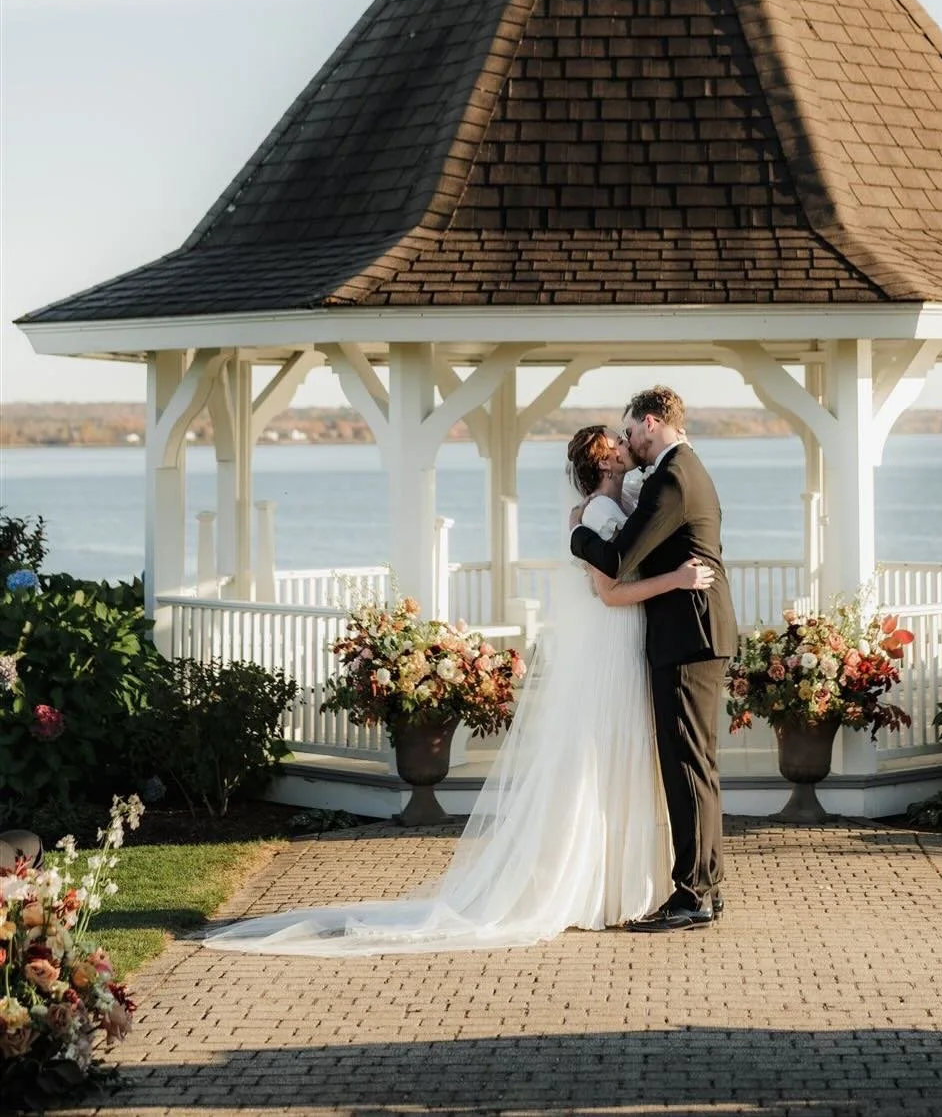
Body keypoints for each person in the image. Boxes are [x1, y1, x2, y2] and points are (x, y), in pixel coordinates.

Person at [204, 426, 712, 954]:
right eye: (618, 440)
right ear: (605, 459)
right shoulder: (599, 514)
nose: (628, 442)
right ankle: (594, 888)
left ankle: (620, 887)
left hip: (629, 646)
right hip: (613, 644)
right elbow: (609, 593)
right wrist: (675, 581)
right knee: (600, 763)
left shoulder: (623, 500)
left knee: (618, 763)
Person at [570, 385, 738, 932]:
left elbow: (617, 561)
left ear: (650, 422)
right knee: (699, 767)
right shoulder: (690, 468)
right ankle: (706, 887)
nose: (630, 442)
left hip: (687, 635)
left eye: (632, 431)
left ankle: (692, 894)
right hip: (697, 632)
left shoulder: (671, 477)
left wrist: (577, 535)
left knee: (686, 767)